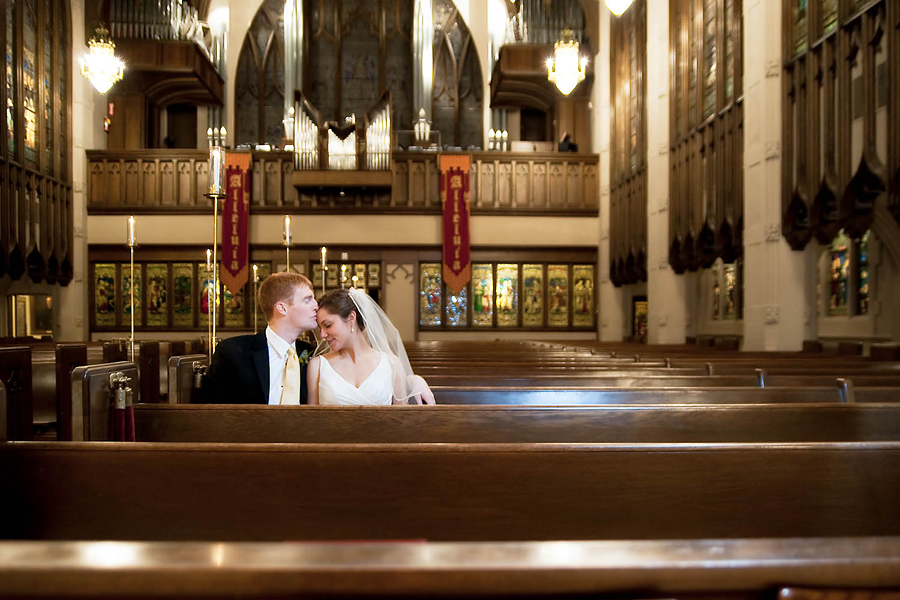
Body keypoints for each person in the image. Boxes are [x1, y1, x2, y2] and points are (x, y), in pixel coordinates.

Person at [200, 272, 319, 404]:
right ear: (282, 308)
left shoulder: (310, 353)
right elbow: (210, 408)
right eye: (307, 300)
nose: (316, 306)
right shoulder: (233, 353)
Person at [307, 288, 436, 406]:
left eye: (328, 325)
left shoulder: (392, 364)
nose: (322, 335)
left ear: (351, 318)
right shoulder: (317, 366)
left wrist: (414, 380)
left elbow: (401, 419)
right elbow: (311, 418)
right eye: (320, 328)